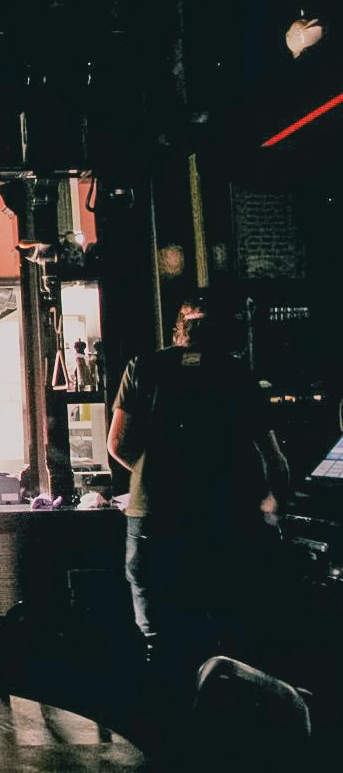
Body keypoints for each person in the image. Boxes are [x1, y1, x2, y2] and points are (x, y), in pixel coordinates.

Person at [108, 293, 291, 688]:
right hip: (223, 521)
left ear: (177, 332)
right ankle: (222, 736)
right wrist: (277, 498)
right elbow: (274, 457)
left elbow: (118, 444)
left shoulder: (143, 367)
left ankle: (161, 736)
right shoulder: (238, 374)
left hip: (153, 521)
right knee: (226, 644)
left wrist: (152, 474)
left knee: (158, 643)